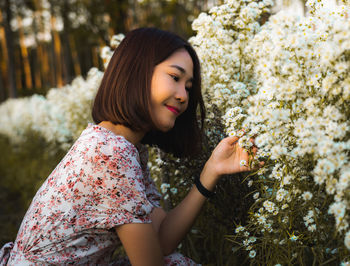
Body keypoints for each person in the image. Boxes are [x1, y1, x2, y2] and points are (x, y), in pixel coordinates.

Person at [0, 27, 255, 265]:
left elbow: (162, 240)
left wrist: (211, 170)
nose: (183, 96)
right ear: (138, 73)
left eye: (188, 87)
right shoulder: (111, 153)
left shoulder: (125, 146)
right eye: (175, 77)